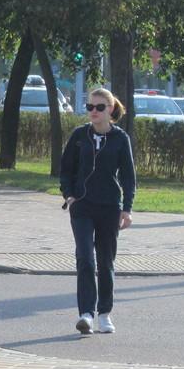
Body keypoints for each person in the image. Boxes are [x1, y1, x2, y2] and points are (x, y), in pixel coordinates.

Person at [59, 88, 136, 335]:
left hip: (109, 207)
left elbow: (128, 176)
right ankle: (86, 314)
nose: (94, 111)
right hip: (82, 206)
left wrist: (127, 209)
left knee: (105, 261)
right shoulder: (79, 135)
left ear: (110, 109)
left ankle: (104, 314)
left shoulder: (120, 138)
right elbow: (65, 169)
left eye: (99, 107)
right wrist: (69, 195)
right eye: (90, 106)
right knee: (85, 258)